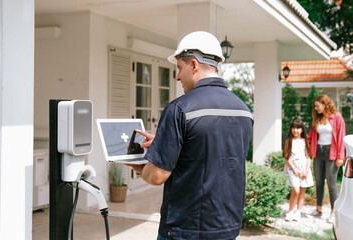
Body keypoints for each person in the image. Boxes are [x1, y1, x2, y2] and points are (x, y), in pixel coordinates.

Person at [128, 31, 253, 240]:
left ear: (194, 64)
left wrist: (137, 166)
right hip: (227, 228)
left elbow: (157, 176)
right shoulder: (243, 109)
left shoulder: (180, 109)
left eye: (179, 68)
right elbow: (214, 153)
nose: (177, 77)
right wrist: (163, 145)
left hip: (184, 230)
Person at [307, 95, 346, 223]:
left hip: (332, 153)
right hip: (318, 152)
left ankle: (334, 212)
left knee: (331, 183)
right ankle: (318, 209)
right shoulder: (317, 118)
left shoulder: (337, 117)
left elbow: (341, 138)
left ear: (325, 104)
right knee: (319, 181)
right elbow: (311, 136)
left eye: (317, 105)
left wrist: (341, 156)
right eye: (315, 106)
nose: (315, 108)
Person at [283, 119, 314, 222]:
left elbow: (309, 157)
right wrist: (294, 169)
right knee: (295, 190)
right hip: (293, 169)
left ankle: (298, 212)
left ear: (302, 129)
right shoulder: (288, 140)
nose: (296, 130)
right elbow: (287, 157)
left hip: (304, 169)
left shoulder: (304, 141)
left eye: (298, 128)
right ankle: (291, 210)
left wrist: (306, 170)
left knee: (301, 191)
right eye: (294, 128)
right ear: (291, 129)